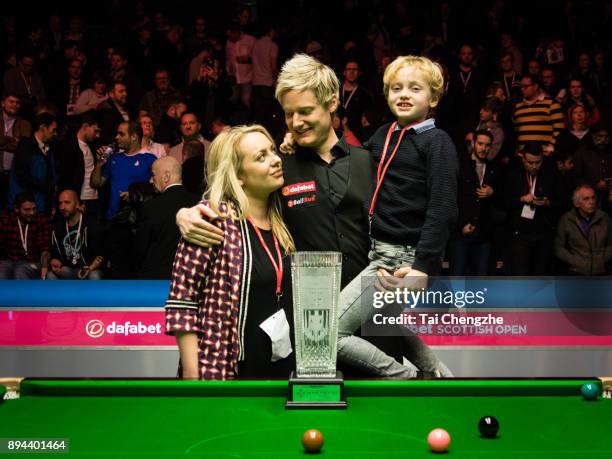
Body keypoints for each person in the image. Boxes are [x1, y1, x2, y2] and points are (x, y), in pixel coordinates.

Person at [177, 54, 453, 378]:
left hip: (378, 324)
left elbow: (424, 209)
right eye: (289, 114)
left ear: (332, 102)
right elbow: (237, 203)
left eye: (305, 111)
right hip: (313, 335)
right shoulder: (279, 167)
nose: (295, 122)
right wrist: (185, 213)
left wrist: (420, 265)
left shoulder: (372, 158)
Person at [165, 125, 296, 380]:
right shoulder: (212, 218)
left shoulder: (284, 219)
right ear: (239, 176)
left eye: (272, 150)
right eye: (261, 156)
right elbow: (183, 301)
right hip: (227, 370)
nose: (275, 160)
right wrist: (194, 379)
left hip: (280, 370)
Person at [136, 156, 199, 279]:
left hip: (156, 280)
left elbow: (140, 248)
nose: (150, 180)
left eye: (153, 175)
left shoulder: (150, 207)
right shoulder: (199, 203)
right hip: (190, 278)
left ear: (166, 177)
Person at [554, 184, 612, 275]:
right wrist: (575, 262)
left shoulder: (604, 218)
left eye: (593, 198)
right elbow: (559, 248)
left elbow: (610, 244)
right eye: (586, 199)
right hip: (576, 272)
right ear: (576, 203)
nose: (592, 202)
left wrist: (602, 260)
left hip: (601, 272)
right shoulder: (566, 220)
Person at [47, 189, 104, 280]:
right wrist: (55, 261)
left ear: (77, 204)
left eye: (67, 202)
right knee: (51, 275)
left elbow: (101, 255)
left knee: (94, 276)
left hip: (89, 269)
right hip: (68, 270)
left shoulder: (91, 225)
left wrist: (89, 268)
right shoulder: (57, 227)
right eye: (60, 203)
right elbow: (54, 253)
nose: (62, 207)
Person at [7, 113, 58, 213]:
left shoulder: (49, 149)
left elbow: (50, 177)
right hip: (26, 207)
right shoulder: (26, 145)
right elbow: (22, 176)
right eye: (53, 130)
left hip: (42, 205)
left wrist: (52, 204)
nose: (55, 134)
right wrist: (48, 187)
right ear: (43, 127)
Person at [0, 191, 50, 279]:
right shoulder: (6, 220)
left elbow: (45, 248)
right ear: (16, 209)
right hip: (10, 261)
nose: (32, 212)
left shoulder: (40, 220)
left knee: (21, 270)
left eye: (34, 209)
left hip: (33, 262)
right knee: (2, 270)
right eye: (27, 209)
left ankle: (23, 293)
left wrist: (45, 266)